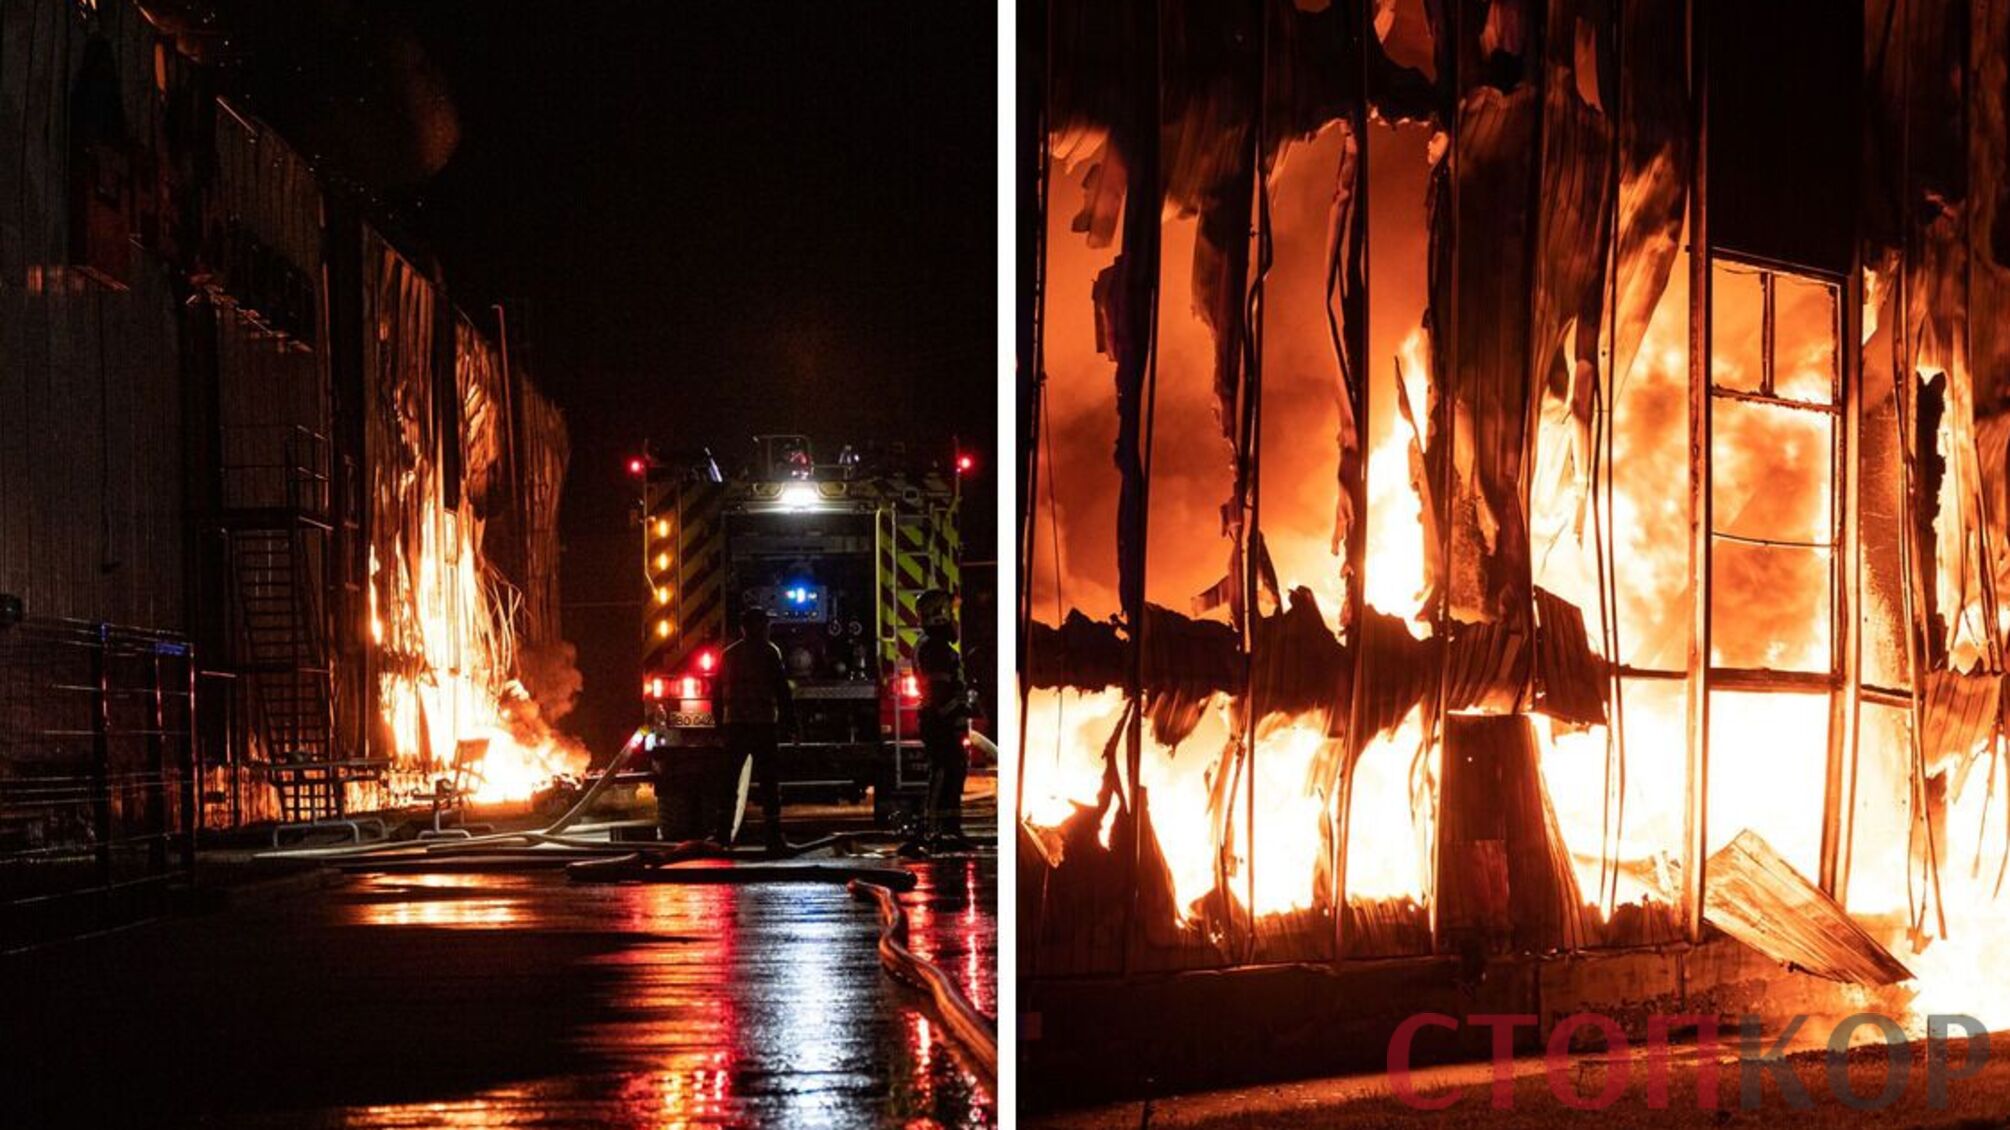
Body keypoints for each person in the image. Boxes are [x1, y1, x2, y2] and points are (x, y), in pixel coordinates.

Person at [716, 605, 796, 853]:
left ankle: (722, 837)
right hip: (763, 725)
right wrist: (790, 723)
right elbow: (782, 691)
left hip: (735, 725)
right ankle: (773, 838)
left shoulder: (728, 655)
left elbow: (716, 693)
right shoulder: (770, 652)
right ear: (761, 627)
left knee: (729, 782)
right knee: (769, 784)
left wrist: (719, 725)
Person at [912, 588, 976, 851]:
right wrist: (957, 713)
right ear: (939, 616)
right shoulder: (935, 649)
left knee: (953, 772)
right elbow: (940, 693)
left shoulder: (936, 646)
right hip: (941, 723)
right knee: (942, 772)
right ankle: (933, 829)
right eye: (950, 613)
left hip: (944, 720)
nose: (954, 620)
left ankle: (949, 829)